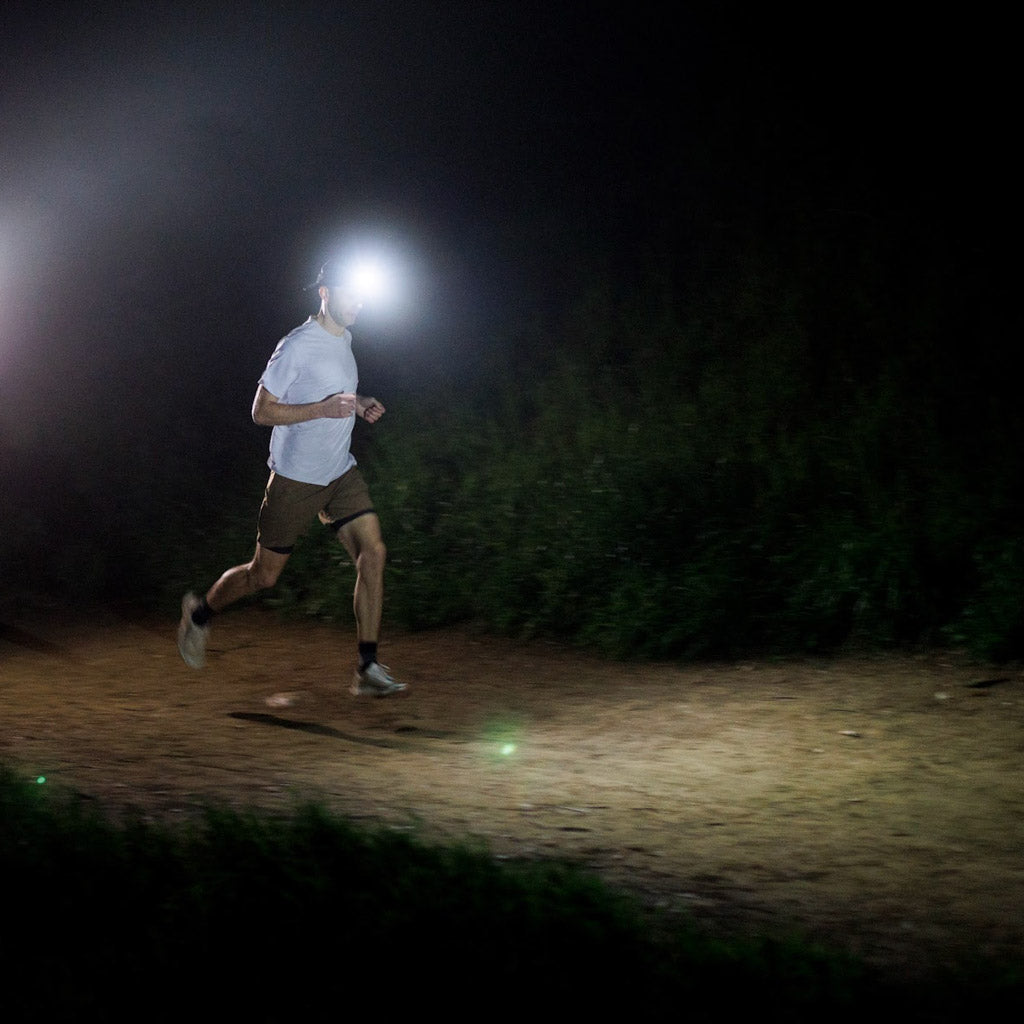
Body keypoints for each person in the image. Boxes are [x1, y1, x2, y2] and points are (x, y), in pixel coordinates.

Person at [177, 258, 405, 696]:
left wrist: (358, 403)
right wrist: (322, 409)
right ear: (324, 293)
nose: (358, 302)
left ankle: (367, 668)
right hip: (295, 481)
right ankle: (200, 612)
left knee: (373, 553)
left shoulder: (347, 339)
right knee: (263, 576)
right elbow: (261, 411)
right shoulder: (296, 345)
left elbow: (334, 392)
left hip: (340, 473)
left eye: (362, 295)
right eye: (349, 293)